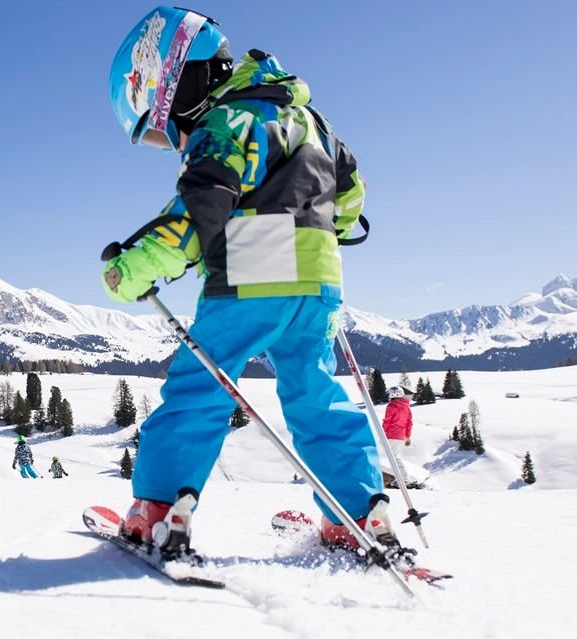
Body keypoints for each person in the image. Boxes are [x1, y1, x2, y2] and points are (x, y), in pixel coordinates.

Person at [103, 6, 398, 559]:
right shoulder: (314, 120)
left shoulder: (226, 124)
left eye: (163, 125)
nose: (172, 138)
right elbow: (351, 194)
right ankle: (359, 512)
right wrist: (316, 232)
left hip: (253, 273)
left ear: (179, 81)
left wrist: (136, 265)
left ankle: (159, 508)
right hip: (319, 285)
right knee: (316, 395)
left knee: (201, 387)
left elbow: (200, 210)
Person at [381, 386, 415, 486]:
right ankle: (400, 478)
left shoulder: (391, 406)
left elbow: (387, 421)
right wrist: (407, 436)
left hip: (392, 434)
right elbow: (409, 423)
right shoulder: (407, 408)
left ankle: (405, 479)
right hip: (401, 436)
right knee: (395, 456)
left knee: (394, 457)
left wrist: (383, 433)